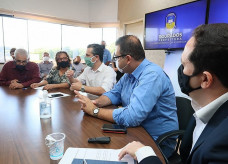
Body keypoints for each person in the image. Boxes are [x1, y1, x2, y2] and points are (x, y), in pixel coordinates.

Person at [119, 24, 228, 164]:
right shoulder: (203, 108)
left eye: (184, 64)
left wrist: (144, 153)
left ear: (205, 79)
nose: (180, 71)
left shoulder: (222, 144)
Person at [74, 35, 178, 157]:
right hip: (137, 130)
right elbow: (115, 93)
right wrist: (96, 103)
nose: (115, 61)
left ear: (128, 59)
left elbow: (132, 116)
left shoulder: (152, 75)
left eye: (116, 57)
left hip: (157, 140)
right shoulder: (129, 73)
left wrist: (95, 111)